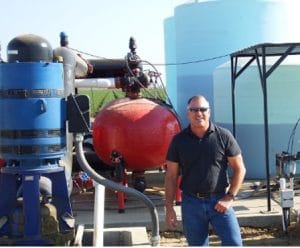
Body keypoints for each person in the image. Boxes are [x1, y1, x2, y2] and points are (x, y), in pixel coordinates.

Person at [164, 95, 246, 246]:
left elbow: (240, 168)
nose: (198, 113)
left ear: (209, 112)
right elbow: (171, 176)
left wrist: (230, 197)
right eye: (194, 110)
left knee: (234, 243)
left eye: (203, 109)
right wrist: (169, 208)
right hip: (191, 203)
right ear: (187, 113)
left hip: (220, 201)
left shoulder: (224, 136)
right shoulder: (179, 141)